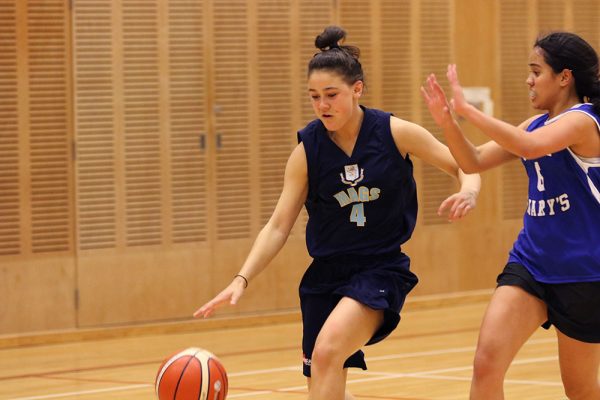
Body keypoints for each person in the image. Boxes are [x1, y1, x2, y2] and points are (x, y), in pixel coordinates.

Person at [194, 25, 480, 400]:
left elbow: (465, 162)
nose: (322, 105)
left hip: (379, 269)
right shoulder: (307, 151)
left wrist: (469, 190)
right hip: (324, 277)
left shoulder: (394, 132)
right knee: (323, 378)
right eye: (314, 97)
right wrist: (241, 279)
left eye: (331, 95)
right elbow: (279, 225)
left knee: (328, 350)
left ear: (357, 89)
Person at [421, 31, 600, 400]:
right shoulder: (533, 125)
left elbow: (531, 148)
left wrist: (471, 110)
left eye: (536, 71)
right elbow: (473, 160)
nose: (528, 80)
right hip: (531, 264)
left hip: (584, 273)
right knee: (486, 363)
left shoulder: (585, 121)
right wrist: (449, 123)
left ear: (564, 77)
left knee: (580, 389)